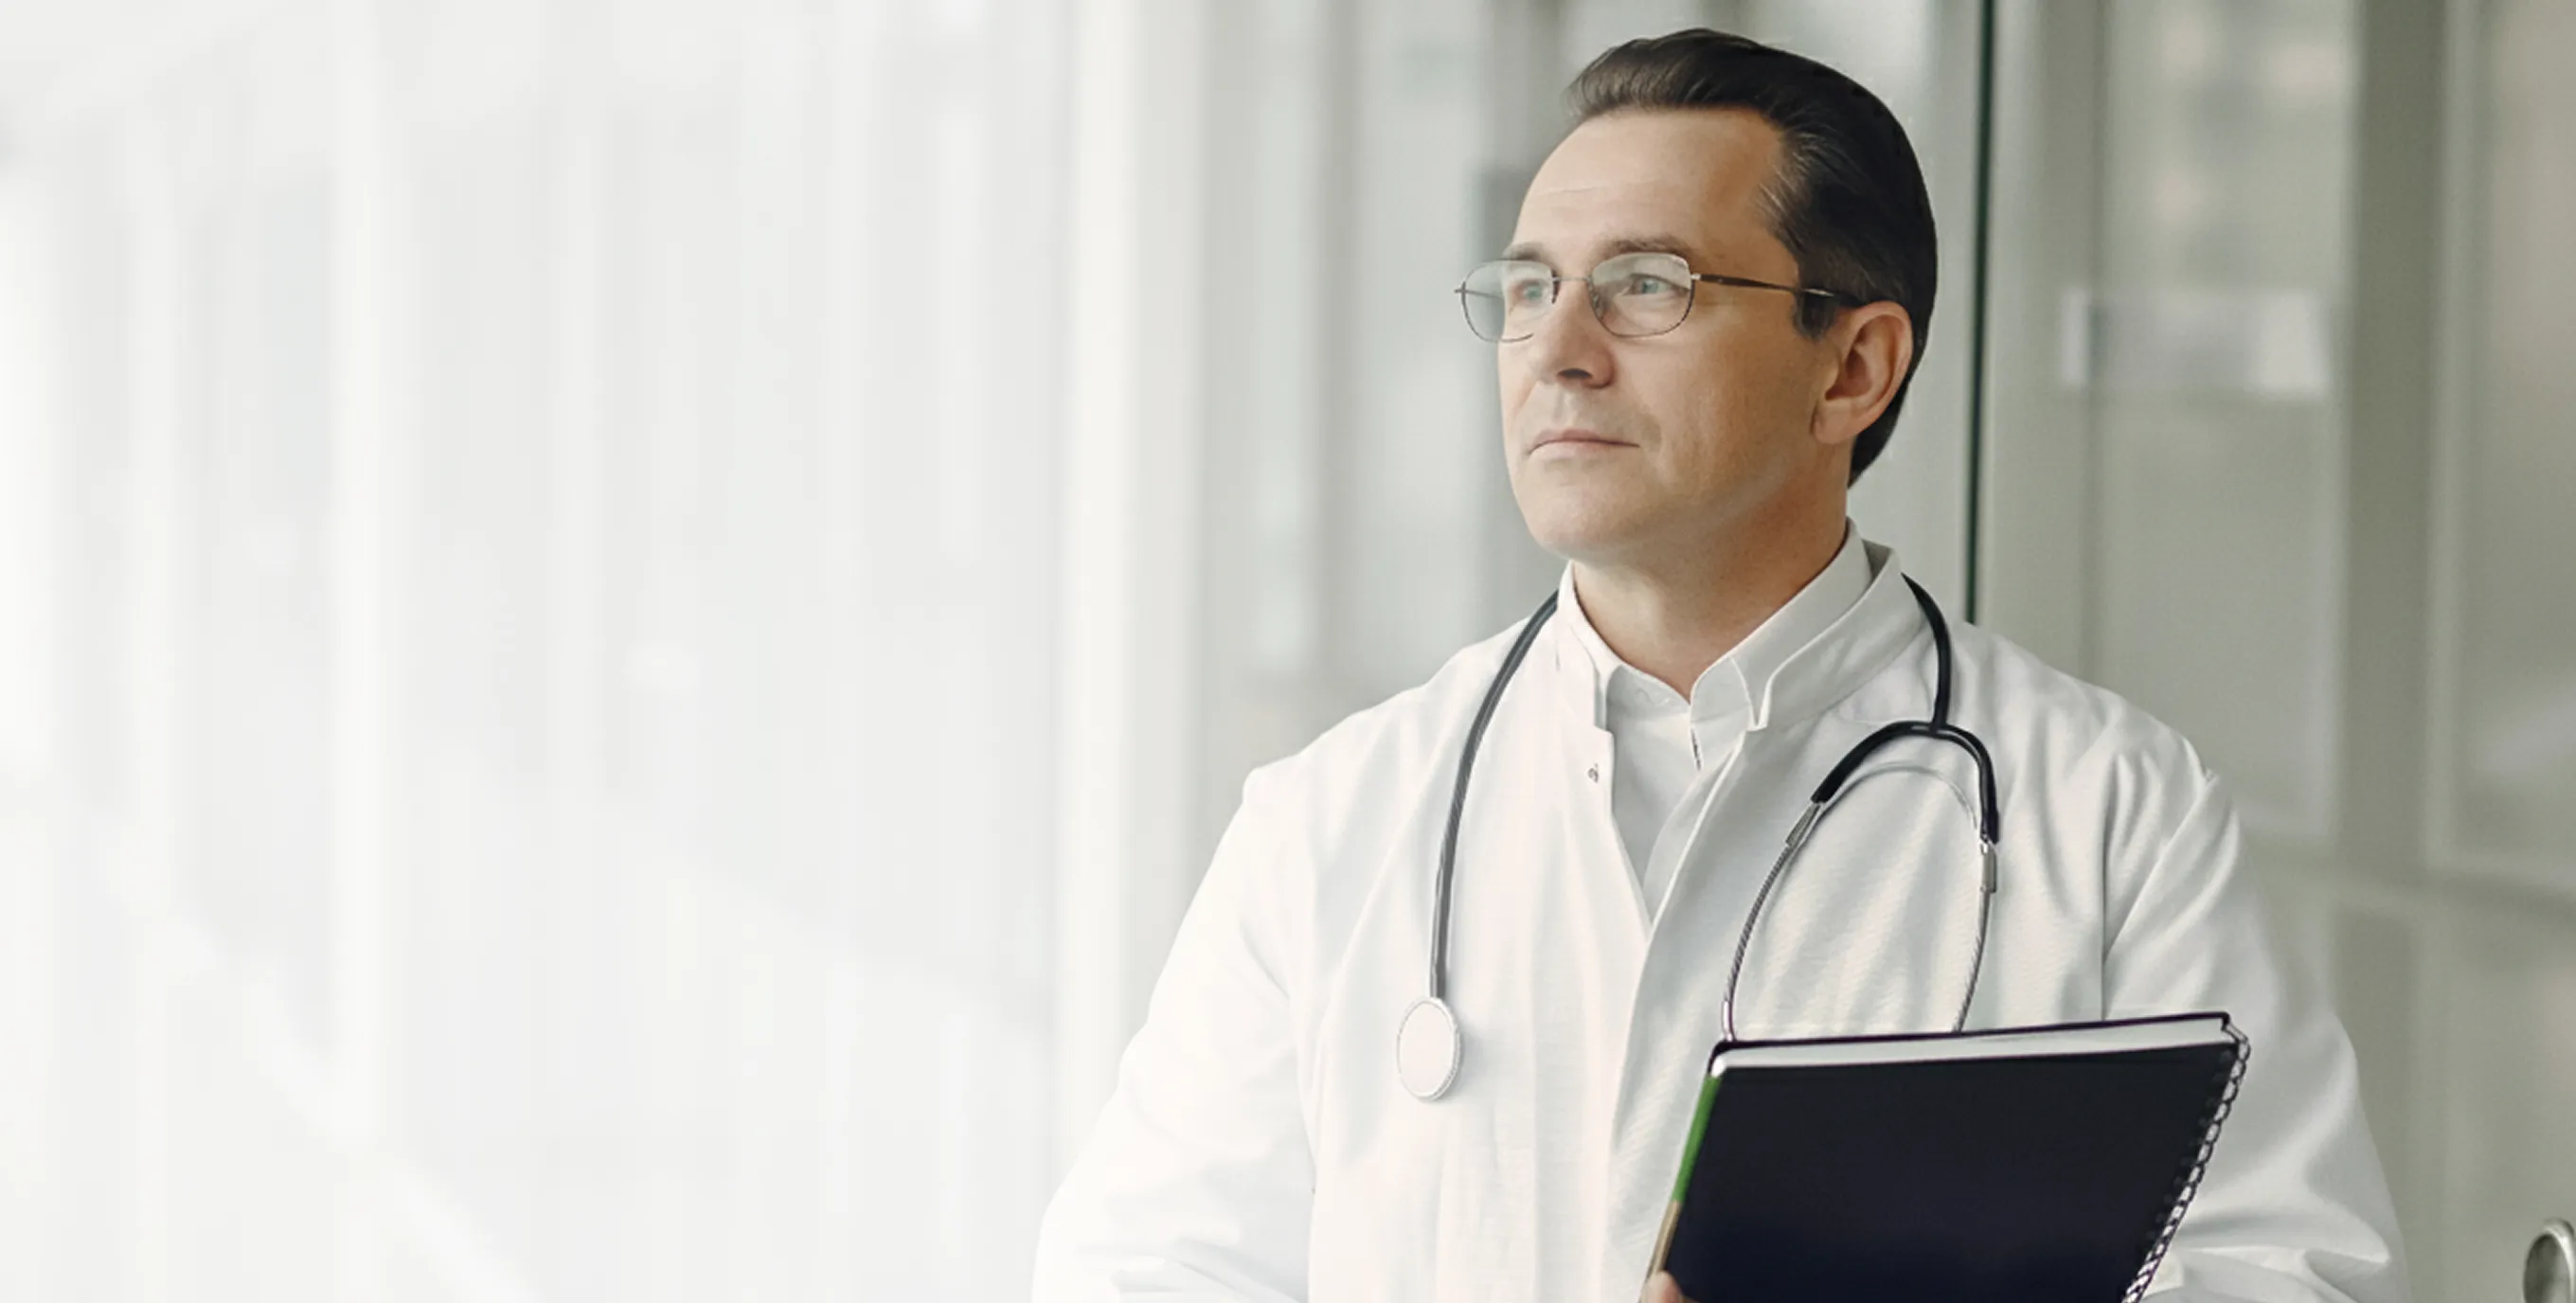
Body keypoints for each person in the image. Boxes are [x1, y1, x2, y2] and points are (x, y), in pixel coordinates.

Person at [1032, 28, 2408, 1303]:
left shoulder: (2114, 815)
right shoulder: (1332, 821)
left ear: (1854, 369)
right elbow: (1143, 1272)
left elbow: (2295, 1271)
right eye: (1529, 288)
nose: (1557, 354)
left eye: (1646, 287)